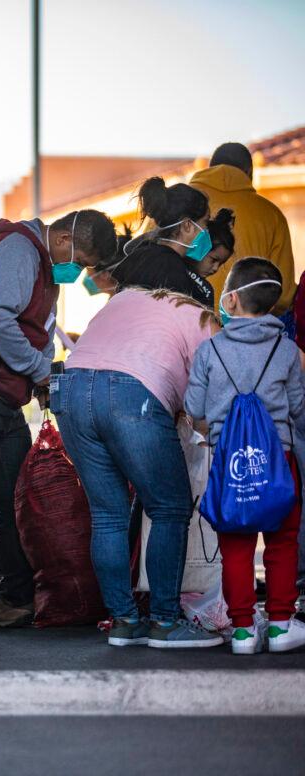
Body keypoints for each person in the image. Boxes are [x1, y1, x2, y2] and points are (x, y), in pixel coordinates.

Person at [0, 208, 117, 627]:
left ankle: (17, 591)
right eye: (79, 260)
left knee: (16, 495)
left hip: (6, 394)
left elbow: (42, 329)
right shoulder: (19, 251)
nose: (78, 271)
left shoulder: (45, 267)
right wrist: (39, 369)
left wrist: (43, 372)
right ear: (63, 238)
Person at [51, 285, 223, 649]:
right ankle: (164, 621)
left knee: (107, 515)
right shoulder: (207, 323)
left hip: (69, 389)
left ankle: (124, 621)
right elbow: (202, 404)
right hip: (132, 393)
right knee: (170, 509)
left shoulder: (126, 298)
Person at [185, 258, 305, 654]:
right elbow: (299, 409)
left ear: (232, 300)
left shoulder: (210, 350)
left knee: (235, 543)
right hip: (278, 463)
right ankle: (282, 627)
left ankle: (241, 631)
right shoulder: (286, 349)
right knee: (282, 541)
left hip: (228, 463)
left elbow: (195, 406)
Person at [190, 142, 296, 314]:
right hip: (244, 329)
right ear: (249, 173)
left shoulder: (176, 202)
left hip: (179, 325)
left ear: (210, 169)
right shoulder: (271, 215)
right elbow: (283, 295)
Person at [113, 177, 214, 307]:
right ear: (187, 225)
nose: (207, 230)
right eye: (205, 222)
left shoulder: (142, 254)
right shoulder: (172, 271)